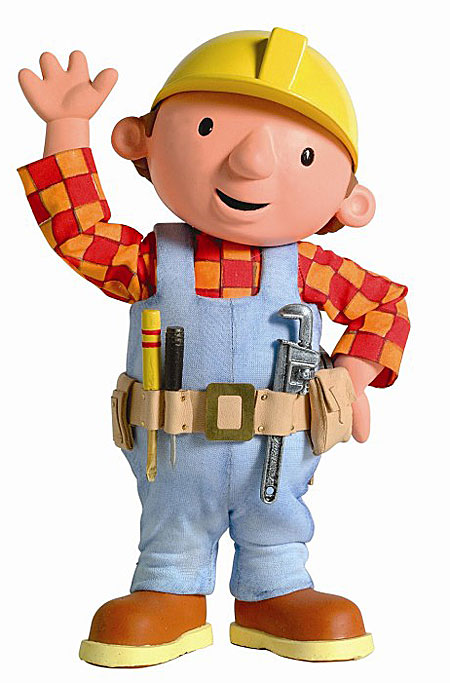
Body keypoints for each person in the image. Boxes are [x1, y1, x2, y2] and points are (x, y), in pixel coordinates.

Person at [18, 28, 410, 667]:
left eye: (303, 155)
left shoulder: (309, 270)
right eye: (207, 128)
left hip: (278, 458)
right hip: (170, 454)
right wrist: (66, 129)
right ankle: (169, 587)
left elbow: (384, 305)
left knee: (275, 525)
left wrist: (351, 376)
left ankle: (275, 588)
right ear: (139, 141)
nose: (251, 162)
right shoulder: (153, 260)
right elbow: (80, 234)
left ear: (351, 202)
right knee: (172, 528)